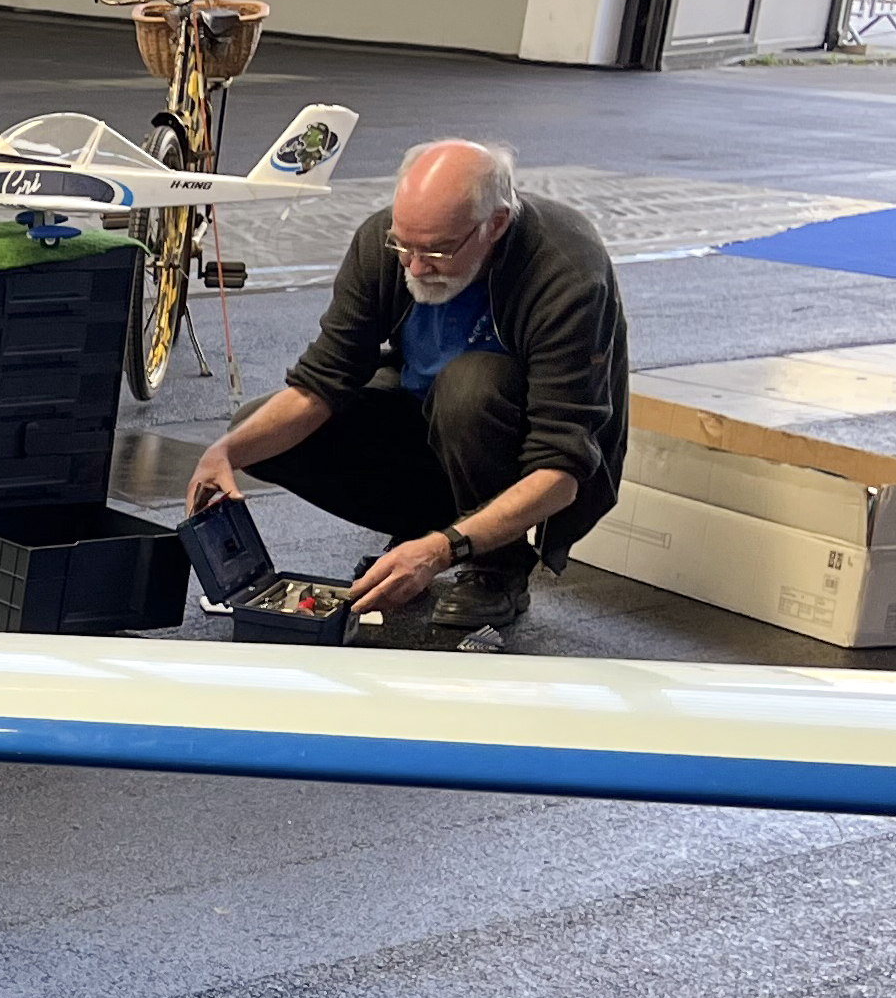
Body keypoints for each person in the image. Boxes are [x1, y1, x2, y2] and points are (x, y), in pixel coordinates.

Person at [187, 138, 629, 630]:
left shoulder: (564, 272)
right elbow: (323, 381)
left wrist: (447, 549)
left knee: (470, 388)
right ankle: (418, 531)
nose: (416, 268)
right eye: (405, 246)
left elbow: (561, 470)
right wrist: (224, 453)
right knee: (255, 433)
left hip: (516, 452)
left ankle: (495, 568)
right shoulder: (382, 242)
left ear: (496, 225)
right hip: (425, 423)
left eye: (437, 250)